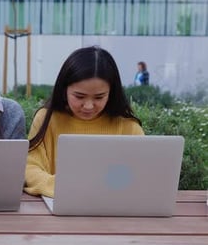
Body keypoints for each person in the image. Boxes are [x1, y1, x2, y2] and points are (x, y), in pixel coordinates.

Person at [24, 46, 144, 198]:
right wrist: (66, 189)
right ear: (64, 89)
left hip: (115, 210)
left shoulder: (128, 127)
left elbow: (140, 177)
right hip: (59, 205)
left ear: (112, 93)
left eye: (99, 97)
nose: (88, 106)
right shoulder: (47, 118)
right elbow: (30, 167)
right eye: (79, 96)